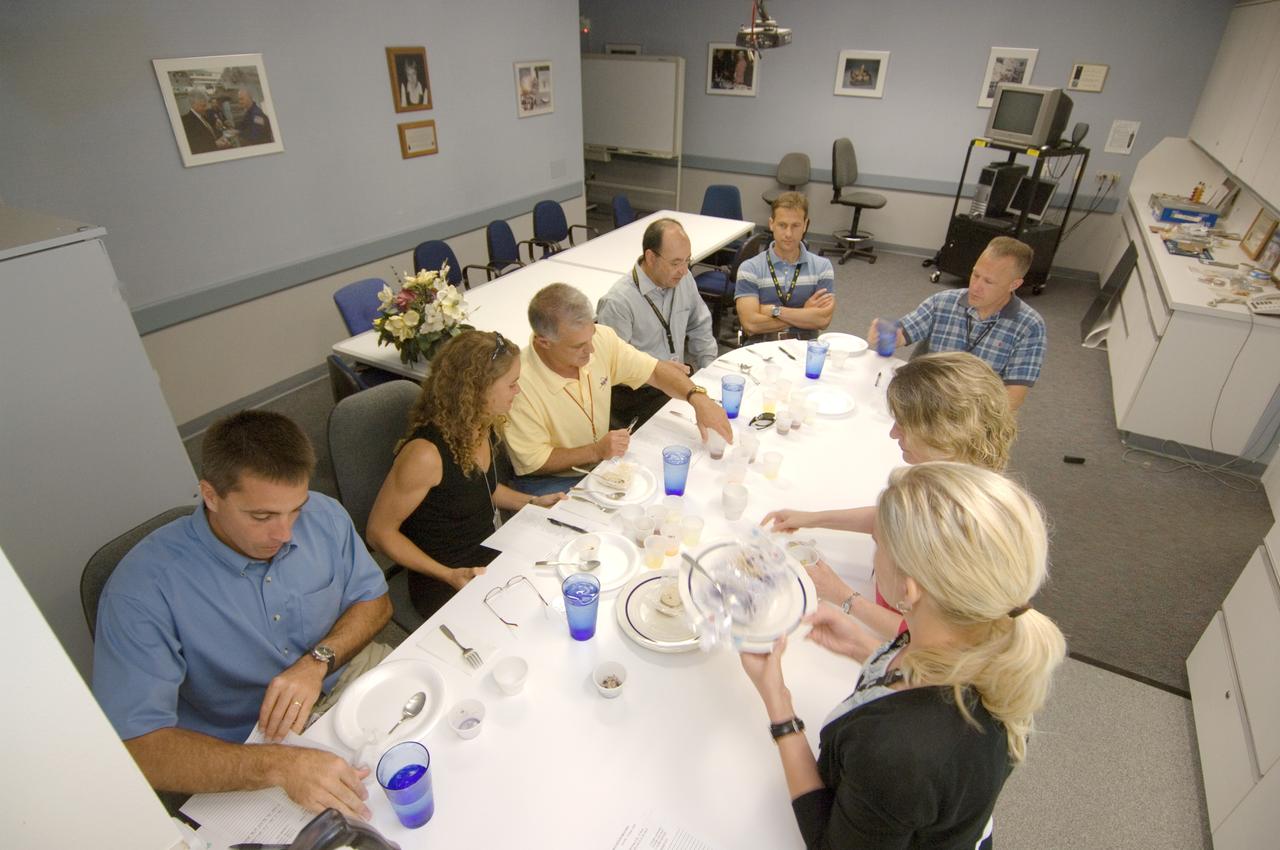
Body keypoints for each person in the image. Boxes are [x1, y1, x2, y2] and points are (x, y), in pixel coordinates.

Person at [741, 462, 1066, 849]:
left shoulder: (901, 753)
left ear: (908, 591)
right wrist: (870, 651)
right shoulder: (992, 641)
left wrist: (778, 705)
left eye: (878, 542)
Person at [91, 411, 393, 819]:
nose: (285, 533)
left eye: (295, 510)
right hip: (246, 747)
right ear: (211, 495)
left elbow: (375, 601)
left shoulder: (324, 515)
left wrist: (318, 660)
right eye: (262, 516)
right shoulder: (142, 590)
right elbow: (139, 746)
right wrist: (278, 764)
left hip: (345, 687)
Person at [763, 352, 1016, 658]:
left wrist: (843, 597)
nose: (893, 433)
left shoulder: (960, 530)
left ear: (943, 433)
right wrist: (812, 517)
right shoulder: (946, 474)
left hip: (896, 647)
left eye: (904, 426)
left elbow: (935, 641)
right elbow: (888, 520)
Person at [366, 331, 565, 618]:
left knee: (559, 587)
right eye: (511, 384)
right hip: (446, 579)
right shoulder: (425, 455)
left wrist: (532, 502)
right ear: (479, 389)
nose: (517, 391)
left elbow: (484, 489)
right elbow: (379, 532)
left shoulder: (483, 424)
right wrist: (447, 574)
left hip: (488, 557)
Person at [502, 283, 734, 495]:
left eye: (591, 336)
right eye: (579, 346)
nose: (592, 350)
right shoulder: (517, 384)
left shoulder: (601, 339)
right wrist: (595, 451)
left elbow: (654, 371)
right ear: (544, 342)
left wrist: (698, 398)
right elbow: (535, 462)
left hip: (600, 462)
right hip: (552, 479)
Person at [872, 235, 1045, 410]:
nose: (975, 287)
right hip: (924, 401)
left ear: (1014, 284)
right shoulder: (943, 302)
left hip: (974, 414)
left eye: (988, 281)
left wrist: (964, 421)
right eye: (975, 274)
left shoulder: (1030, 326)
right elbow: (903, 333)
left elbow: (1013, 396)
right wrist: (888, 335)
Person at [596, 218, 719, 429]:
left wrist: (710, 373)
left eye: (687, 261)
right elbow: (611, 369)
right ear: (650, 257)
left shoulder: (684, 279)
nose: (683, 270)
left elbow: (700, 324)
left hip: (676, 384)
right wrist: (657, 371)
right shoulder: (618, 303)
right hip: (636, 397)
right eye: (675, 263)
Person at [735, 192, 835, 344]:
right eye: (782, 225)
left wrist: (772, 310)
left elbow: (822, 320)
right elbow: (750, 324)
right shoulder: (749, 268)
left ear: (805, 225)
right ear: (771, 224)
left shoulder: (822, 267)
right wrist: (805, 314)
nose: (788, 234)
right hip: (761, 348)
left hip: (804, 347)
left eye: (795, 226)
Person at [180, 86, 227, 154]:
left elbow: (209, 134)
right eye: (203, 106)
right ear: (193, 104)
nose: (206, 108)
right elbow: (195, 147)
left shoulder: (204, 116)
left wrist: (220, 137)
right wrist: (215, 144)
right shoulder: (186, 122)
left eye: (206, 105)